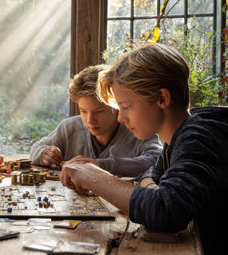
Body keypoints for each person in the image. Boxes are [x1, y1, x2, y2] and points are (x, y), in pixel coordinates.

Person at [60, 43, 228, 254]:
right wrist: (151, 187)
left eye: (126, 107)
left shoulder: (199, 138)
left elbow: (167, 211)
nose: (120, 118)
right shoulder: (176, 139)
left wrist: (93, 176)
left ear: (162, 99)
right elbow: (150, 174)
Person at [30, 64, 161, 177]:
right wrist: (44, 154)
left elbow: (156, 160)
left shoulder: (138, 129)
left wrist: (99, 165)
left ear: (116, 106)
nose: (90, 120)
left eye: (99, 112)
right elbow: (36, 148)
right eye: (83, 111)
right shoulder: (69, 128)